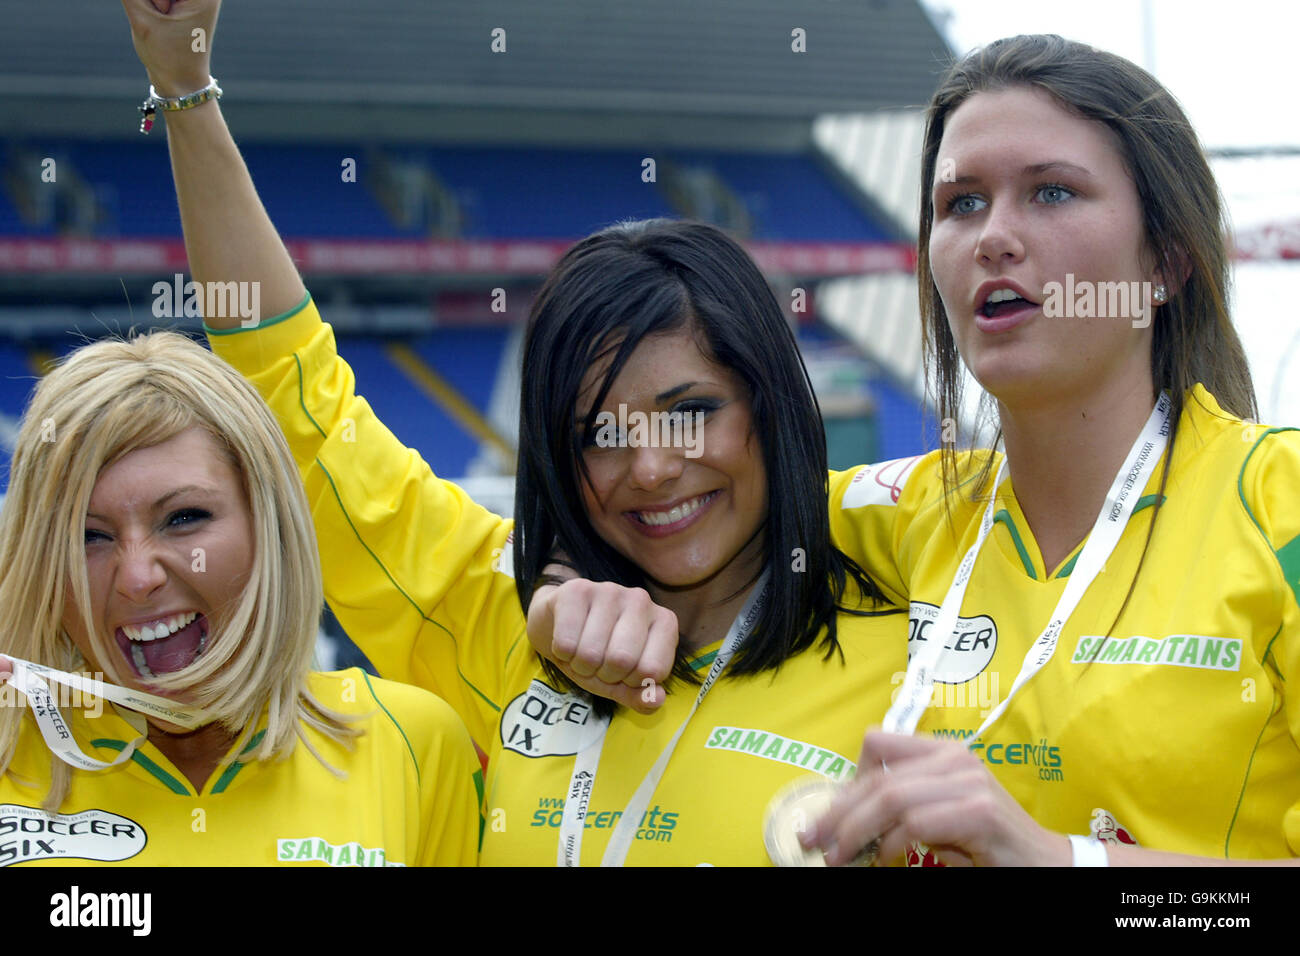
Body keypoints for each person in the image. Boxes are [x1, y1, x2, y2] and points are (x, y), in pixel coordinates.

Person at [119, 0, 910, 865]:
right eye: (598, 433)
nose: (649, 468)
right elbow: (294, 396)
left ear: (771, 408)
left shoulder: (918, 639)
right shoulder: (500, 616)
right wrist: (185, 88)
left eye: (691, 413)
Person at [801, 34, 1300, 866]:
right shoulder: (892, 518)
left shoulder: (1279, 504)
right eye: (961, 203)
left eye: (1053, 192)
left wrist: (1059, 859)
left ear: (1166, 263)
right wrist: (579, 589)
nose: (994, 237)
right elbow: (676, 517)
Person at [0, 330, 482, 866]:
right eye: (88, 536)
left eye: (184, 518)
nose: (137, 577)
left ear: (269, 525)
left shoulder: (412, 742)